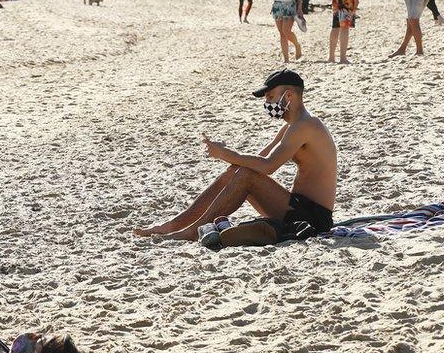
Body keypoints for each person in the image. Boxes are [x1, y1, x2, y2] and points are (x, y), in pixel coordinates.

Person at [133, 70, 337, 246]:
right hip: (297, 206)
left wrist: (226, 154)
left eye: (271, 96)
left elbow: (268, 166)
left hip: (313, 218)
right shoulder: (292, 126)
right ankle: (174, 225)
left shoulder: (306, 125)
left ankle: (192, 231)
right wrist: (230, 158)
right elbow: (260, 158)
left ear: (289, 95)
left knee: (245, 174)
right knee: (236, 171)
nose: (267, 103)